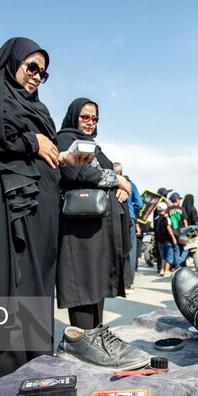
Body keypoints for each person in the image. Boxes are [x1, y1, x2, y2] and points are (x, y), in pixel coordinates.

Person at [0, 38, 89, 382]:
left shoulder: (38, 109)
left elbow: (43, 154)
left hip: (40, 214)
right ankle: (1, 378)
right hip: (4, 209)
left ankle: (34, 365)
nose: (36, 77)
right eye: (31, 67)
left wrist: (63, 158)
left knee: (35, 288)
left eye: (42, 74)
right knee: (8, 286)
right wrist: (31, 142)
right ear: (12, 61)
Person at [56, 98, 132, 330]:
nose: (90, 122)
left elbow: (102, 171)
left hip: (98, 227)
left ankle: (96, 337)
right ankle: (82, 341)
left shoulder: (93, 146)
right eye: (85, 117)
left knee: (97, 283)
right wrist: (117, 179)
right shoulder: (64, 139)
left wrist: (120, 186)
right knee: (82, 284)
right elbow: (74, 171)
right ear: (73, 116)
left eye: (94, 118)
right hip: (79, 228)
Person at [114, 162, 143, 293]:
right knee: (130, 249)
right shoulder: (129, 184)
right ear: (121, 172)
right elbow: (139, 203)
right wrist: (133, 210)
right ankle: (128, 283)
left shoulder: (107, 182)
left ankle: (114, 281)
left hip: (112, 217)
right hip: (128, 217)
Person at [154, 202, 177, 277]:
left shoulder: (156, 219)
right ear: (165, 209)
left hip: (161, 240)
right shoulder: (166, 218)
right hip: (168, 240)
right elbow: (168, 228)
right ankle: (167, 271)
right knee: (169, 256)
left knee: (163, 256)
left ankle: (162, 270)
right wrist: (173, 238)